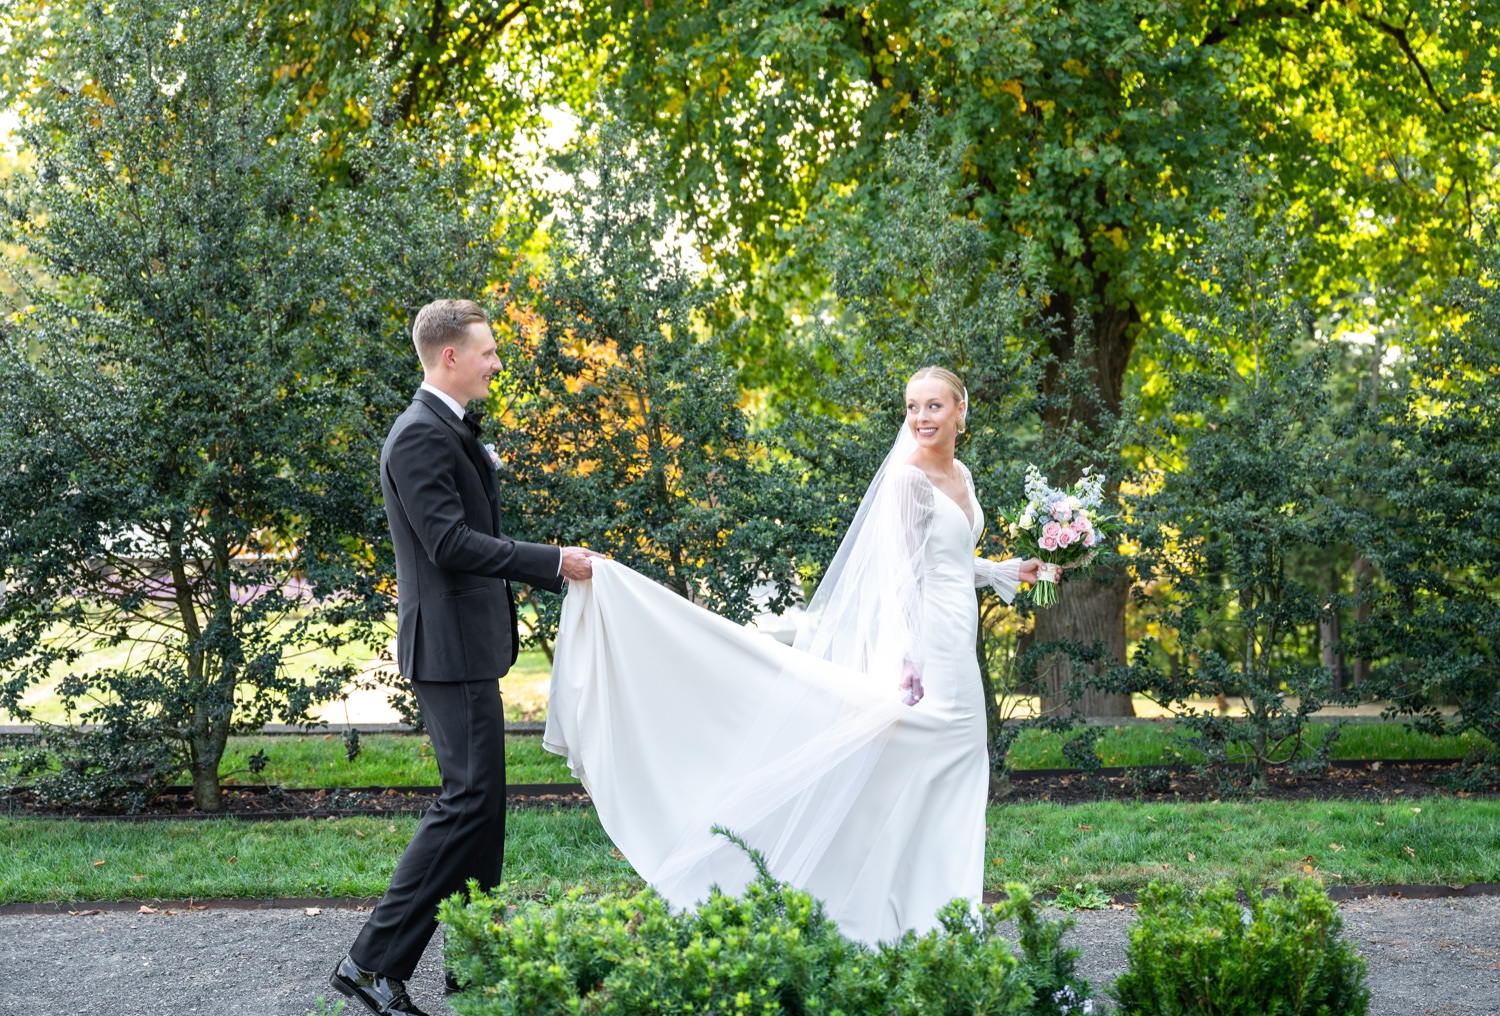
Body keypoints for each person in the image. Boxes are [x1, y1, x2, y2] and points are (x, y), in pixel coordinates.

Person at [545, 365, 1041, 945]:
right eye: (912, 407)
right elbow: (898, 577)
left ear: (962, 410)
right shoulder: (907, 482)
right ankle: (756, 880)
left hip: (958, 645)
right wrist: (908, 656)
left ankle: (934, 919)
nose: (921, 418)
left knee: (946, 776)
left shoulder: (962, 474)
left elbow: (949, 562)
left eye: (934, 406)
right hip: (925, 649)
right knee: (899, 773)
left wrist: (1008, 570)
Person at [331, 299, 602, 1016]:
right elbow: (447, 544)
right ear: (450, 357)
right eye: (487, 351)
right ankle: (368, 962)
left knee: (483, 813)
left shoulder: (444, 430)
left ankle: (473, 966)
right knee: (466, 804)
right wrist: (554, 562)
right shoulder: (419, 436)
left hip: (465, 648)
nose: (497, 362)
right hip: (446, 649)